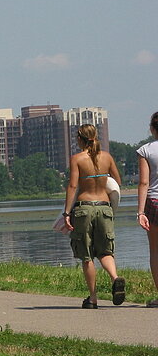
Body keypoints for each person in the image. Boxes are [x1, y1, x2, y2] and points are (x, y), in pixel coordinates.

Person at [63, 124, 125, 309]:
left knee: (87, 255)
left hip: (84, 208)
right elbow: (117, 182)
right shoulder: (107, 157)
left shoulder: (77, 159)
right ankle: (115, 278)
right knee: (106, 251)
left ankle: (93, 298)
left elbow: (73, 186)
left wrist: (67, 213)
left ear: (80, 139)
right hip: (105, 207)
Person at [136, 111, 158, 308]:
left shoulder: (145, 150)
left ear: (152, 129)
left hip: (154, 202)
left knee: (155, 250)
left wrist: (140, 212)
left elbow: (143, 182)